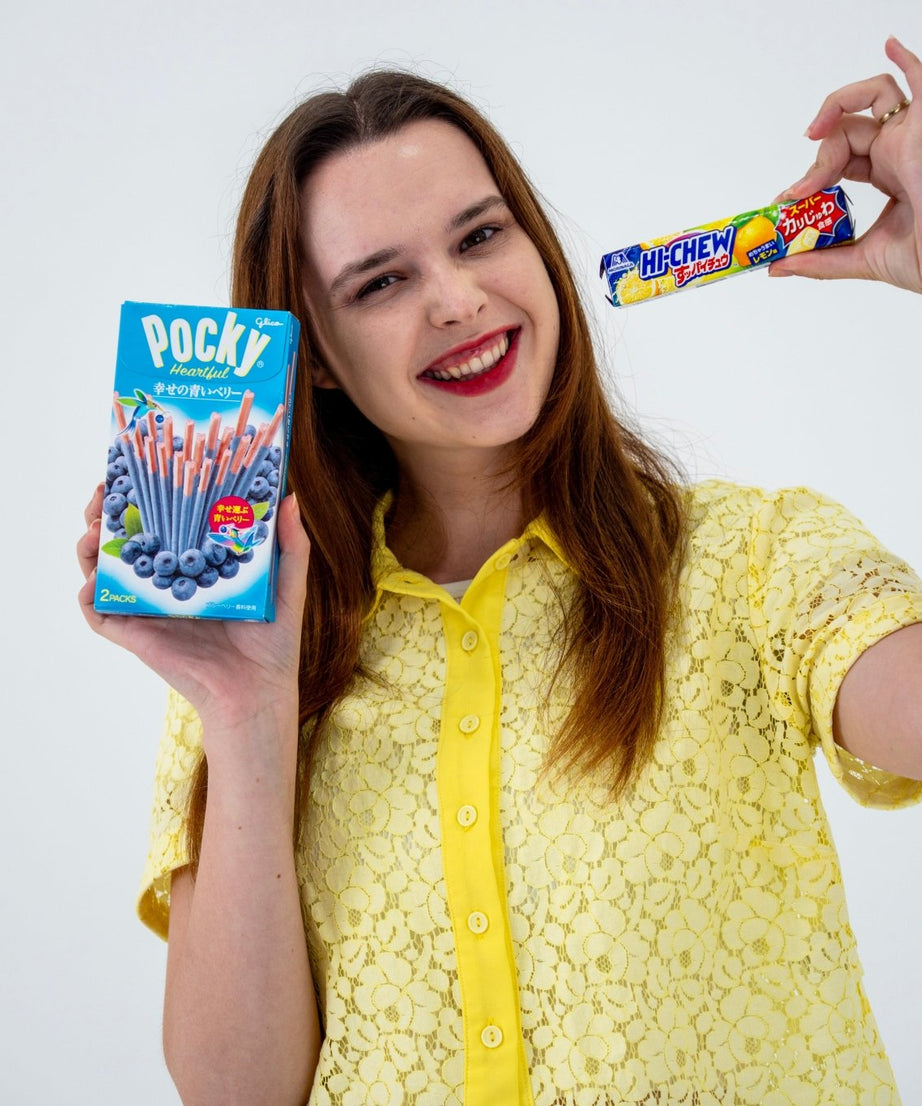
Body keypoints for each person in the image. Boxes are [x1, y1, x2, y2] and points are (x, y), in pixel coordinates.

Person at [77, 36, 922, 1106]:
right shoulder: (249, 646)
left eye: (480, 235)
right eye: (381, 281)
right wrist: (247, 718)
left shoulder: (751, 562)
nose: (457, 297)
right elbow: (237, 1091)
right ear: (318, 357)